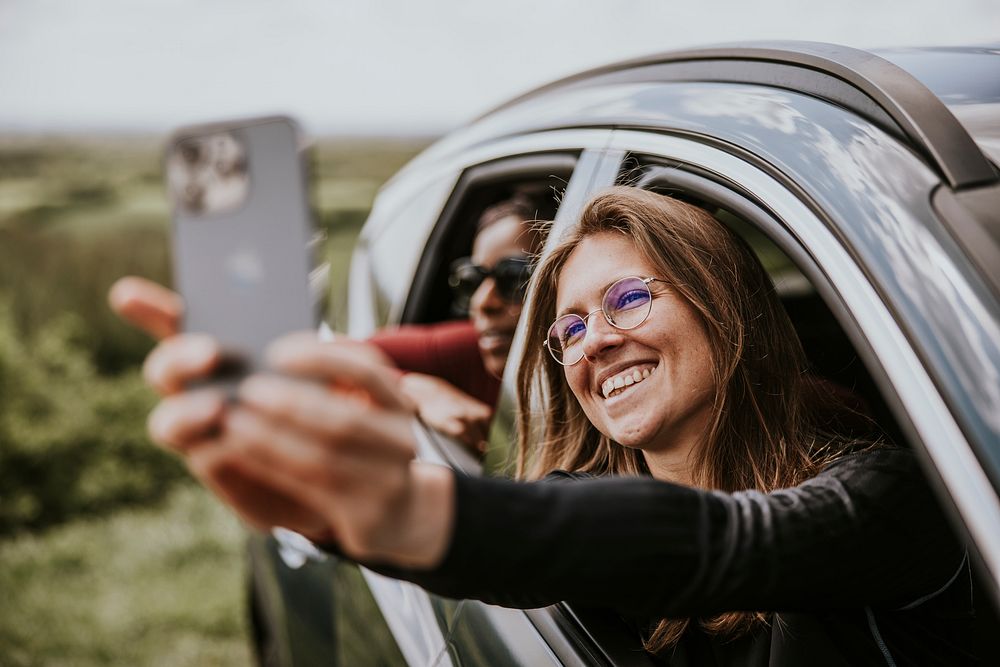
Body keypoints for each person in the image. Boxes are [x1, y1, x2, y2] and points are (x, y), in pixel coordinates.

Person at [118, 187, 975, 664]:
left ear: (728, 306)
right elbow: (550, 531)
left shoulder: (889, 499)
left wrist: (412, 511)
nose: (595, 341)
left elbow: (716, 543)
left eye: (630, 298)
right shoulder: (579, 512)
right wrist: (370, 497)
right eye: (566, 330)